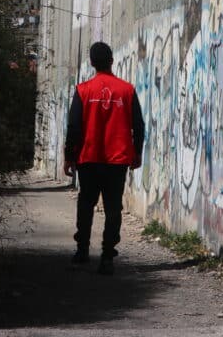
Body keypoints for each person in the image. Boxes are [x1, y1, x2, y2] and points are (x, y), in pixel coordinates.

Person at [64, 41, 145, 275]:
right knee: (113, 208)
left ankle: (82, 250)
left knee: (86, 203)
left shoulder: (83, 90)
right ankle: (108, 256)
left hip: (88, 157)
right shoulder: (126, 90)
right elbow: (138, 125)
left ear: (91, 62)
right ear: (112, 60)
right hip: (117, 159)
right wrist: (137, 152)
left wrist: (70, 156)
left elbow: (74, 126)